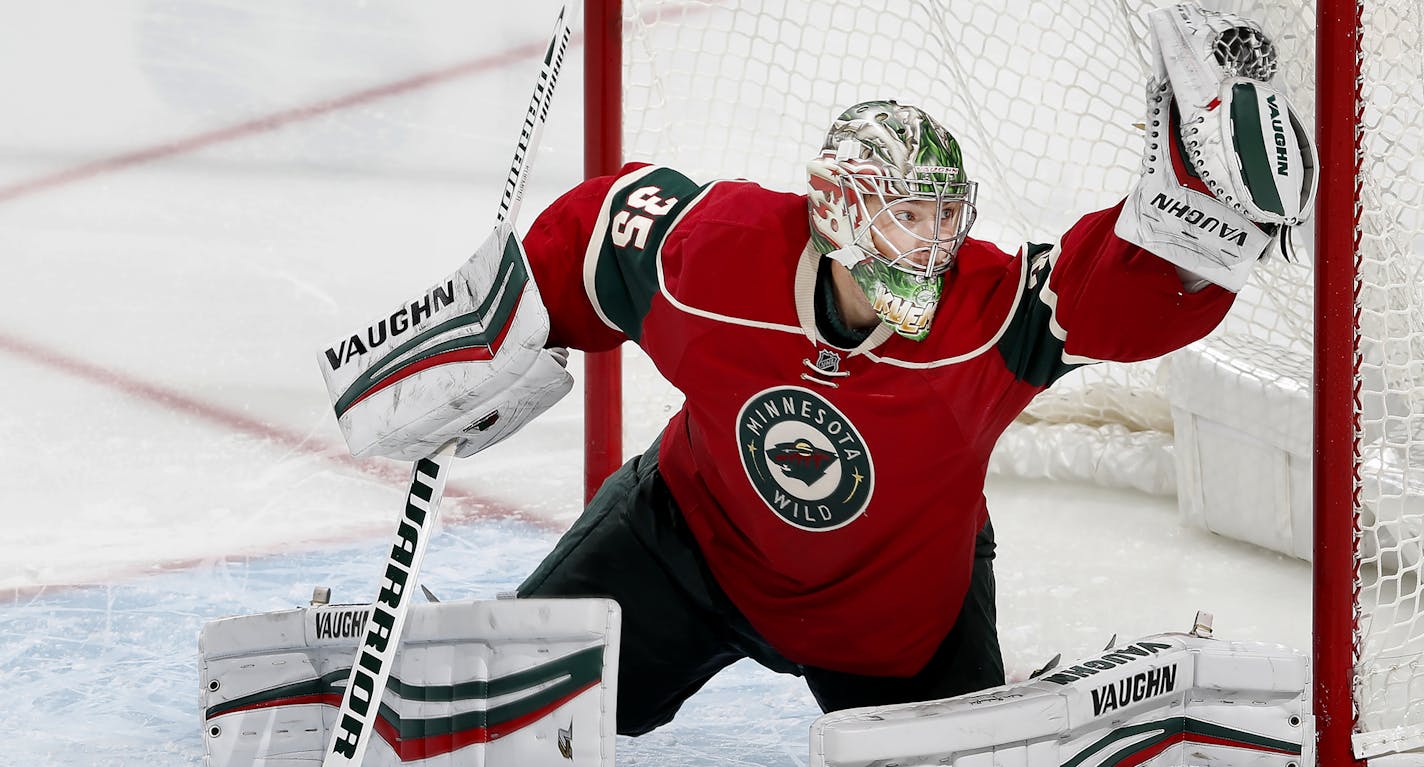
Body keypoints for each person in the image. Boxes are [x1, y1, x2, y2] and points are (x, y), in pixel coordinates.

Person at [510, 93, 1279, 736]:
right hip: (690, 547)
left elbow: (1110, 296)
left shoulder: (989, 313)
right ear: (839, 206)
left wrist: (1197, 228)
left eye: (947, 217)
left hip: (898, 616)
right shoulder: (721, 250)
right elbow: (601, 235)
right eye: (909, 215)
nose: (935, 245)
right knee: (512, 709)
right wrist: (501, 332)